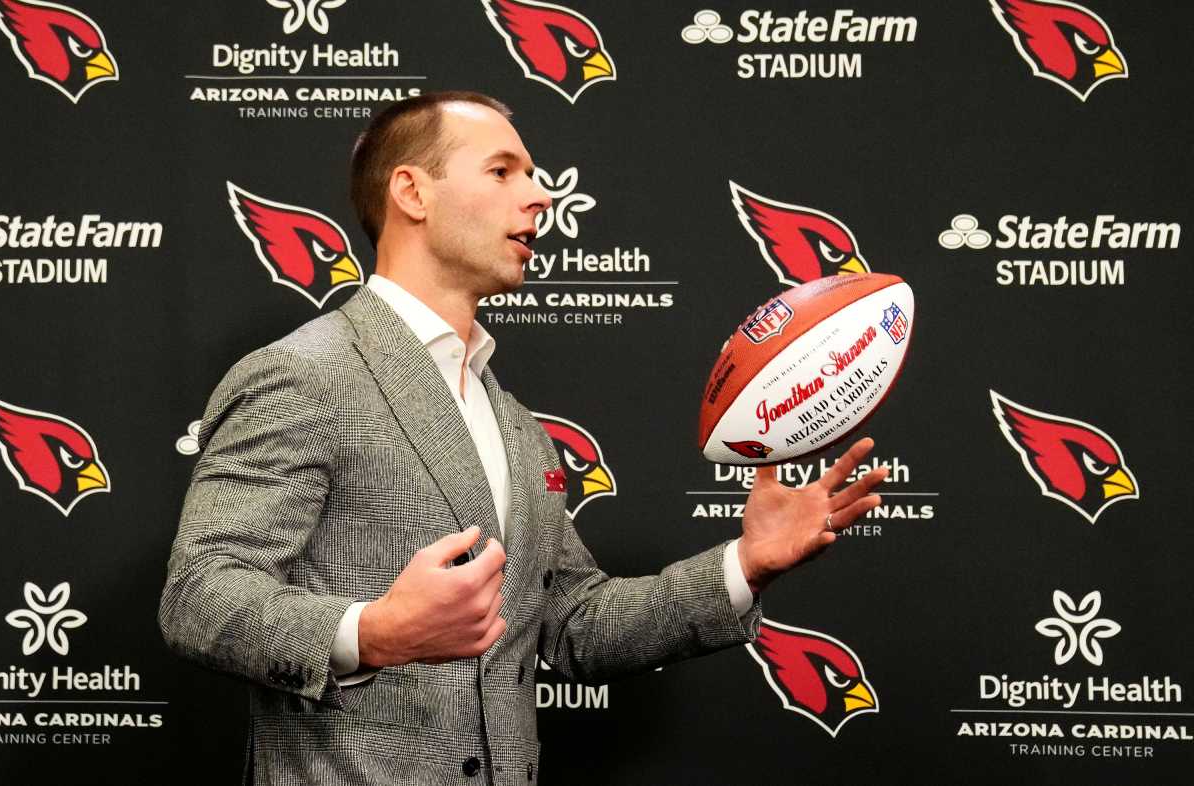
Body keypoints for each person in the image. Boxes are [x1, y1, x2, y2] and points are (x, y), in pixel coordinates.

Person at [158, 91, 887, 785]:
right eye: (503, 171)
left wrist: (744, 565)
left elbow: (574, 626)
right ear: (411, 193)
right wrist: (372, 631)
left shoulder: (516, 425)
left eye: (535, 177)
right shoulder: (303, 374)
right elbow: (200, 595)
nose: (539, 197)